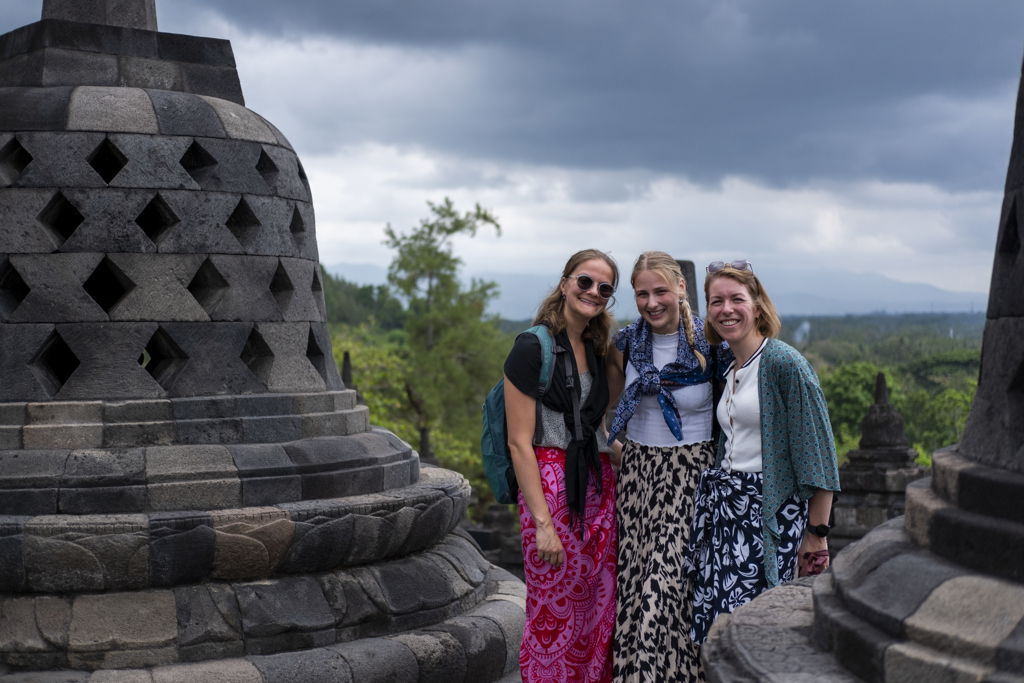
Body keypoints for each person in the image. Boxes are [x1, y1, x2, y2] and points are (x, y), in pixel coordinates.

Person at [684, 260, 840, 644]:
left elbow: (820, 458)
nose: (726, 309)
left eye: (737, 298)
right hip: (728, 516)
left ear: (757, 305)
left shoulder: (785, 364)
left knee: (761, 631)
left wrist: (817, 535)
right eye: (716, 301)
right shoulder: (731, 368)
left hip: (771, 519)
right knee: (725, 631)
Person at [605, 252, 731, 683]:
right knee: (637, 585)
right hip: (638, 476)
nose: (652, 302)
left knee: (669, 588)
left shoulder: (710, 344)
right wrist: (621, 448)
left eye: (661, 291)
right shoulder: (625, 344)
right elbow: (609, 407)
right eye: (642, 293)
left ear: (681, 287)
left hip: (691, 475)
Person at [504, 249, 621, 683]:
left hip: (597, 485)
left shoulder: (597, 346)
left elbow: (599, 424)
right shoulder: (532, 347)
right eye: (585, 282)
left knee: (597, 606)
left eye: (604, 288)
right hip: (549, 486)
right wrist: (543, 524)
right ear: (565, 282)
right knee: (553, 608)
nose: (593, 292)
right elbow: (519, 443)